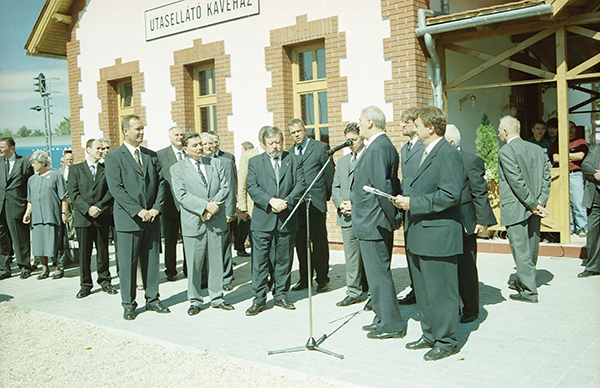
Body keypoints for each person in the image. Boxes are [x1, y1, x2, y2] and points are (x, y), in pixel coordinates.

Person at [392, 106, 463, 361]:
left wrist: (414, 203)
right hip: (419, 233)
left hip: (439, 236)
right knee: (423, 290)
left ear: (430, 128)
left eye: (418, 124)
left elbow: (450, 195)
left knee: (441, 292)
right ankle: (430, 333)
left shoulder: (447, 154)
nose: (414, 128)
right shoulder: (423, 151)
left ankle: (446, 340)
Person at [105, 115, 169, 321]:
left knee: (151, 262)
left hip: (151, 219)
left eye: (143, 129)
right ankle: (129, 304)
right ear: (126, 131)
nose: (141, 133)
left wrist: (156, 209)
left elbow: (161, 184)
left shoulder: (151, 155)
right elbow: (117, 189)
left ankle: (152, 299)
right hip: (128, 221)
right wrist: (138, 210)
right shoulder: (114, 157)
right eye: (137, 129)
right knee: (128, 264)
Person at [351, 106, 405, 340]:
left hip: (374, 222)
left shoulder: (378, 148)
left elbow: (382, 190)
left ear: (371, 122)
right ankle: (381, 317)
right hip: (373, 221)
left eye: (361, 121)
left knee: (379, 274)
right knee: (375, 275)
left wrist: (393, 219)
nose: (359, 124)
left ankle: (391, 324)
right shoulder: (381, 146)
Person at [170, 131, 234, 315]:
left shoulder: (216, 163)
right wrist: (204, 207)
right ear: (185, 149)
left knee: (216, 263)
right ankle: (195, 300)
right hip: (194, 221)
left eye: (201, 144)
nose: (200, 148)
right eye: (195, 145)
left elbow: (225, 187)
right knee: (195, 264)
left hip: (215, 220)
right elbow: (181, 195)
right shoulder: (178, 168)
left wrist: (213, 207)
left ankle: (217, 297)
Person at [245, 126, 306, 316]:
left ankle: (281, 295)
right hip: (263, 219)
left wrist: (285, 202)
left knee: (284, 259)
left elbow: (301, 184)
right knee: (260, 261)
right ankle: (259, 299)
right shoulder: (255, 161)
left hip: (286, 218)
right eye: (271, 143)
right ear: (263, 144)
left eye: (278, 142)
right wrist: (270, 201)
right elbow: (252, 186)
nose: (275, 146)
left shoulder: (294, 160)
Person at [445, 125, 497, 324]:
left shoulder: (470, 161)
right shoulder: (440, 160)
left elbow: (479, 192)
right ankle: (452, 306)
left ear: (451, 143)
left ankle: (471, 308)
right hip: (445, 221)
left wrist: (482, 220)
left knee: (466, 266)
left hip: (464, 222)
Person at [498, 115, 551, 303]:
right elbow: (547, 177)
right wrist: (540, 202)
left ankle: (529, 291)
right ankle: (525, 280)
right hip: (534, 206)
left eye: (499, 130)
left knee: (520, 250)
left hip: (518, 207)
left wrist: (533, 204)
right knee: (531, 248)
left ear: (505, 131)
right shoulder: (537, 149)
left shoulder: (506, 151)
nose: (498, 134)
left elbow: (516, 181)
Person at [287, 118, 334, 293]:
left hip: (316, 203)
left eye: (298, 131)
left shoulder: (320, 148)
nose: (296, 135)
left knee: (319, 241)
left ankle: (322, 279)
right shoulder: (290, 153)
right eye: (292, 133)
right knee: (301, 242)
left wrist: (325, 197)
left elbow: (329, 174)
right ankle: (305, 279)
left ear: (304, 130)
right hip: (298, 205)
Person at [69, 139, 117, 298]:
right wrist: (87, 209)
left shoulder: (106, 169)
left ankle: (105, 281)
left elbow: (111, 191)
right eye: (98, 148)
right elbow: (73, 193)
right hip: (83, 218)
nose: (101, 150)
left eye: (102, 148)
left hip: (101, 216)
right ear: (88, 149)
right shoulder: (76, 169)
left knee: (103, 251)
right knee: (84, 253)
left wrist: (99, 207)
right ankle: (85, 284)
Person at [332, 122, 368, 307]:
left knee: (368, 256)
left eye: (354, 139)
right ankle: (354, 291)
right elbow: (335, 187)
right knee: (351, 257)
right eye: (348, 140)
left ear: (363, 138)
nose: (351, 143)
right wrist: (341, 205)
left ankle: (371, 291)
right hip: (346, 216)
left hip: (364, 215)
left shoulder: (369, 157)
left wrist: (355, 204)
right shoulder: (344, 161)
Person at [23, 150, 69, 280]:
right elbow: (30, 199)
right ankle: (44, 268)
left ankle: (59, 268)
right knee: (40, 243)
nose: (33, 165)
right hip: (37, 218)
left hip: (52, 215)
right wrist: (27, 213)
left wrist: (64, 213)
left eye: (35, 163)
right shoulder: (32, 180)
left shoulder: (56, 176)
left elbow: (63, 197)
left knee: (56, 241)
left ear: (43, 163)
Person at [397, 107, 425, 306]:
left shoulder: (424, 147)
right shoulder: (404, 148)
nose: (402, 125)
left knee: (422, 250)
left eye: (406, 122)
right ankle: (416, 288)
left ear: (416, 124)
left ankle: (424, 290)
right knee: (410, 250)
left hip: (420, 205)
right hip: (406, 207)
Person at [203, 133, 236, 291]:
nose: (208, 146)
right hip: (203, 213)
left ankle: (226, 278)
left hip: (222, 212)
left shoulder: (225, 162)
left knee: (223, 246)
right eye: (204, 144)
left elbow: (230, 187)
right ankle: (207, 278)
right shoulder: (195, 164)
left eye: (211, 143)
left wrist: (230, 212)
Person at [0, 137, 34, 280]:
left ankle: (24, 266)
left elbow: (30, 185)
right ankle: (4, 268)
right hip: (1, 205)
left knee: (20, 237)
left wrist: (28, 207)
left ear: (12, 148)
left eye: (2, 147)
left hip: (17, 205)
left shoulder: (24, 163)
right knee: (1, 238)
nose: (0, 149)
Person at [157, 126, 186, 281]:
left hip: (188, 205)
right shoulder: (161, 155)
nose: (179, 137)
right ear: (170, 137)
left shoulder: (189, 152)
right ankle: (171, 270)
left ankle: (189, 268)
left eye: (181, 134)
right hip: (169, 204)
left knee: (189, 238)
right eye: (176, 135)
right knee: (170, 239)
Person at [552, 121, 588, 237]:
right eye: (568, 128)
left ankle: (582, 227)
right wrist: (571, 157)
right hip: (561, 174)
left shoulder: (580, 142)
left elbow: (580, 156)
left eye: (572, 127)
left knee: (578, 202)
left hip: (575, 174)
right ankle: (569, 227)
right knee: (564, 203)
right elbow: (555, 158)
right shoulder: (559, 142)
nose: (570, 130)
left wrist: (563, 156)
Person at [579, 145, 600, 278]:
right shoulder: (595, 149)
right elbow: (585, 165)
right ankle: (593, 266)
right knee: (593, 233)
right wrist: (595, 174)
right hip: (595, 198)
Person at [234, 141, 255, 257]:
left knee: (244, 227)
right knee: (243, 227)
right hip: (245, 203)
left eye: (242, 149)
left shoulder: (249, 158)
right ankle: (239, 247)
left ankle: (240, 246)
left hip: (251, 203)